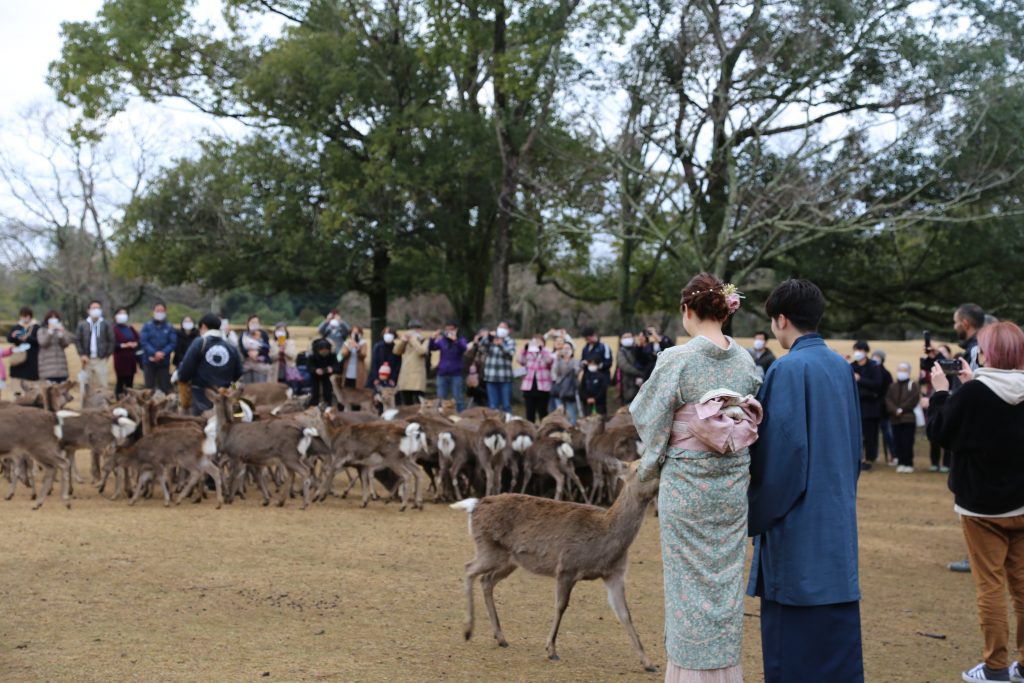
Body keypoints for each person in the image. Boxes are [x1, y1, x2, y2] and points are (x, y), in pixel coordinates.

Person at [631, 272, 761, 683]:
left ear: (687, 310)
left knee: (686, 586)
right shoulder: (746, 362)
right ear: (725, 310)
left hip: (687, 488)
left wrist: (652, 463)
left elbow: (647, 415)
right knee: (724, 584)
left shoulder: (677, 359)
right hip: (731, 487)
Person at [747, 278, 864, 682]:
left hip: (797, 531)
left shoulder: (787, 368)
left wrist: (751, 515)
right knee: (836, 657)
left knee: (793, 658)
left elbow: (781, 462)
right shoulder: (840, 367)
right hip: (835, 523)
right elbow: (853, 448)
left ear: (781, 320)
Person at [928, 321, 1024, 682]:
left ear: (988, 353)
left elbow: (941, 432)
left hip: (982, 507)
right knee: (1022, 585)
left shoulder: (974, 395)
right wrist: (968, 386)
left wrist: (941, 392)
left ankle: (996, 666)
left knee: (991, 587)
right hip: (1022, 502)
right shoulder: (982, 390)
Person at [175, 313, 243, 416]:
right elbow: (238, 373)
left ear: (203, 326)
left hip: (200, 399)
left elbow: (184, 372)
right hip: (225, 400)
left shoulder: (199, 342)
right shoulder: (230, 347)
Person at [851, 340, 884, 470]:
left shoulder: (873, 367)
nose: (857, 353)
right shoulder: (851, 366)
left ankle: (870, 458)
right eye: (855, 350)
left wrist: (860, 379)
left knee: (870, 435)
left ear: (866, 352)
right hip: (855, 406)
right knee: (856, 434)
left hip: (870, 407)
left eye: (860, 350)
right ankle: (858, 457)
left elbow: (877, 384)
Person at [886, 361, 920, 473]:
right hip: (895, 419)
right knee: (898, 441)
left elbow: (913, 399)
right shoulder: (892, 386)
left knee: (908, 442)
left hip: (908, 418)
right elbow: (888, 400)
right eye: (900, 370)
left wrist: (902, 409)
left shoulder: (913, 385)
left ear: (909, 372)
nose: (901, 372)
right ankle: (900, 462)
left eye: (904, 370)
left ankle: (908, 463)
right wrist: (894, 409)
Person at [75, 300, 114, 395]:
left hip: (101, 359)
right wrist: (82, 354)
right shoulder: (82, 324)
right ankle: (85, 407)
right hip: (86, 360)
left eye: (98, 308)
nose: (96, 310)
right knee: (85, 385)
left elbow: (111, 340)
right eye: (93, 308)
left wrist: (106, 355)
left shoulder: (105, 324)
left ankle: (102, 406)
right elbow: (78, 340)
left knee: (102, 385)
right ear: (88, 310)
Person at [475, 322, 516, 413]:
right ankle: (494, 424)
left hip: (505, 378)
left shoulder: (510, 341)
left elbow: (510, 354)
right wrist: (488, 336)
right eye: (500, 327)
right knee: (493, 405)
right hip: (491, 377)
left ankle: (507, 423)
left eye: (504, 328)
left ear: (508, 330)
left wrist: (501, 345)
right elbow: (481, 345)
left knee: (506, 405)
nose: (501, 329)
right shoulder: (490, 340)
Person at [139, 301, 177, 395]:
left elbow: (172, 343)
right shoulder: (147, 326)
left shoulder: (169, 327)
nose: (159, 313)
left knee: (165, 387)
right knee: (149, 387)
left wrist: (162, 353)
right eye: (157, 311)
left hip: (164, 361)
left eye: (162, 311)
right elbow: (144, 342)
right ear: (153, 312)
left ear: (165, 312)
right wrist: (154, 353)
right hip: (149, 361)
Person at [431, 321, 468, 412]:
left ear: (456, 329)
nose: (449, 331)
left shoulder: (461, 339)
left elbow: (464, 348)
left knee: (457, 397)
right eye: (447, 329)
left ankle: (460, 415)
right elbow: (432, 347)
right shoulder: (442, 340)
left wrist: (455, 340)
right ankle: (440, 416)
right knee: (441, 397)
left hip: (456, 374)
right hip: (442, 373)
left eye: (451, 329)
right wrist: (433, 337)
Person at [518, 333, 554, 423]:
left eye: (539, 341)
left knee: (543, 412)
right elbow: (520, 361)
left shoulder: (547, 351)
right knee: (530, 413)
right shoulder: (528, 353)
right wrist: (525, 350)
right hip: (529, 386)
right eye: (534, 341)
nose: (536, 343)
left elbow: (549, 361)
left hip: (543, 387)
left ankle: (543, 431)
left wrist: (541, 350)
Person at [394, 321, 428, 406]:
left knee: (419, 402)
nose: (414, 331)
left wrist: (413, 339)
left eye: (417, 329)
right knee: (406, 402)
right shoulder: (406, 341)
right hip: (406, 375)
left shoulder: (424, 340)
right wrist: (403, 342)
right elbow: (396, 351)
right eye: (412, 329)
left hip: (418, 376)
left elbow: (422, 351)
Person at [7, 307, 41, 390]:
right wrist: (13, 336)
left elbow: (39, 341)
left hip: (32, 358)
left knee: (31, 384)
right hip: (19, 359)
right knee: (18, 383)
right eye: (22, 316)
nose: (24, 318)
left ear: (30, 316)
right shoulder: (17, 327)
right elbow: (9, 339)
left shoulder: (36, 327)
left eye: (26, 316)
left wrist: (27, 338)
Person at [36, 310, 72, 384]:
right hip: (47, 368)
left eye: (55, 318)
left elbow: (66, 344)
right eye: (51, 318)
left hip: (61, 369)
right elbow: (43, 343)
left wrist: (61, 334)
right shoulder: (41, 330)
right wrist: (50, 331)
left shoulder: (61, 330)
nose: (53, 319)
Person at [873, 349, 896, 464]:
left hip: (883, 408)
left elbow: (890, 391)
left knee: (887, 432)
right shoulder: (870, 372)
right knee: (872, 434)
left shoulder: (886, 374)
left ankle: (893, 455)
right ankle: (874, 454)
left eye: (877, 357)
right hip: (872, 407)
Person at [111, 308, 140, 398]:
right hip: (120, 359)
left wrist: (135, 344)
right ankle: (119, 400)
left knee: (130, 382)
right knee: (120, 381)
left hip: (131, 359)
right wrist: (123, 345)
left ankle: (129, 400)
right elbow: (112, 343)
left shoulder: (130, 328)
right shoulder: (113, 329)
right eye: (120, 313)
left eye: (124, 313)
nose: (123, 315)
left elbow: (138, 339)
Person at [550, 339, 580, 424]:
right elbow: (554, 373)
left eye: (568, 348)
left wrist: (569, 361)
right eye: (564, 348)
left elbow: (576, 372)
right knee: (559, 411)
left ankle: (572, 429)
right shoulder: (558, 360)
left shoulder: (575, 361)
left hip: (570, 389)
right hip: (559, 389)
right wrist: (558, 359)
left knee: (571, 411)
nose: (566, 350)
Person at [173, 316, 199, 411]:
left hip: (194, 366)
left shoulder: (197, 336)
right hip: (180, 364)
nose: (188, 323)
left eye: (190, 321)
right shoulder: (177, 335)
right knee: (181, 390)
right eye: (185, 321)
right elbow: (176, 349)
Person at [616, 331, 646, 406]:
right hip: (628, 385)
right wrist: (640, 373)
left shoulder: (638, 349)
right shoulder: (621, 352)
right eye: (625, 337)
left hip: (642, 383)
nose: (627, 339)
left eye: (629, 337)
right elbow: (624, 366)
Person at [307, 336, 338, 408]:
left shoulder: (332, 355)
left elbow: (336, 365)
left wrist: (332, 368)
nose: (324, 352)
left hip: (327, 375)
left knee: (327, 391)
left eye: (326, 350)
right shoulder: (312, 355)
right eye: (322, 351)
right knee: (315, 391)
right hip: (315, 375)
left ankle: (328, 404)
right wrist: (315, 370)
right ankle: (313, 405)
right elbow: (309, 366)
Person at [239, 315, 271, 384]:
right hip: (247, 365)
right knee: (247, 388)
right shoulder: (243, 335)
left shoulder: (263, 334)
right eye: (252, 322)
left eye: (256, 322)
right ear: (248, 323)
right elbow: (241, 348)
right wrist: (248, 353)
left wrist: (258, 352)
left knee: (259, 387)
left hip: (261, 366)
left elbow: (267, 349)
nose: (254, 324)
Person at [956, 303, 986, 372]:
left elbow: (963, 381)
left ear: (965, 323)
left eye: (956, 322)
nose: (954, 327)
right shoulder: (982, 347)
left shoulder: (974, 352)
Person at [271, 323, 300, 392]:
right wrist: (278, 351)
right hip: (277, 370)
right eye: (279, 330)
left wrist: (285, 350)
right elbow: (271, 357)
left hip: (289, 369)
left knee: (290, 389)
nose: (281, 333)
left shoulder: (291, 343)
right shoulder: (272, 344)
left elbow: (293, 356)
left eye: (282, 330)